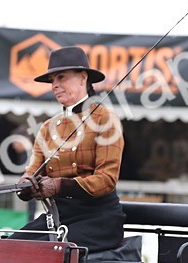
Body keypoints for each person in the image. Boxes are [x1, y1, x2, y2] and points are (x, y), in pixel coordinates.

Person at [11, 46, 125, 252]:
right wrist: (26, 186)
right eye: (52, 80)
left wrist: (59, 186)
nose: (55, 85)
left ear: (83, 78)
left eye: (61, 77)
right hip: (57, 217)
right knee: (10, 245)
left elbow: (107, 179)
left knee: (52, 251)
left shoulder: (105, 119)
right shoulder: (47, 127)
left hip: (97, 220)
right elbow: (32, 170)